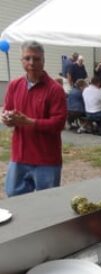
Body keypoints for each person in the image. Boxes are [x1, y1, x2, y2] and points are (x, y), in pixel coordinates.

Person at [1, 41, 67, 197]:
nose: (32, 63)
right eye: (27, 58)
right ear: (21, 60)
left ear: (43, 60)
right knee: (15, 201)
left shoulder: (55, 89)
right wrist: (6, 118)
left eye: (36, 59)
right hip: (19, 156)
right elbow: (6, 111)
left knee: (45, 206)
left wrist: (28, 122)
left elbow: (59, 123)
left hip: (47, 159)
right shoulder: (14, 85)